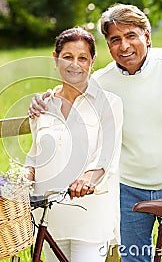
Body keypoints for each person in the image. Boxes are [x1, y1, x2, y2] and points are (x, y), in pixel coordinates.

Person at [28, 4, 162, 262]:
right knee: (133, 259)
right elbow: (69, 93)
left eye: (131, 36)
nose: (124, 46)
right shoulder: (102, 83)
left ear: (147, 37)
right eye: (115, 39)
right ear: (108, 46)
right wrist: (42, 100)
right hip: (127, 191)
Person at [25, 27, 123, 262]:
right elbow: (36, 153)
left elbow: (107, 156)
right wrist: (24, 173)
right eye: (67, 57)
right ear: (55, 58)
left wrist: (86, 180)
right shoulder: (43, 104)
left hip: (89, 214)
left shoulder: (110, 103)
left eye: (82, 58)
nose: (74, 65)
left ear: (93, 61)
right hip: (48, 215)